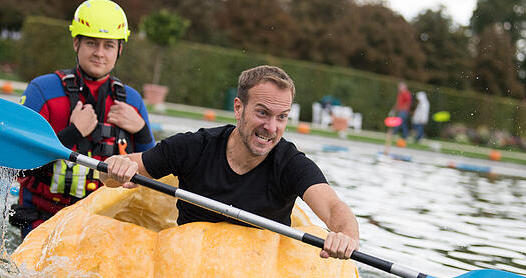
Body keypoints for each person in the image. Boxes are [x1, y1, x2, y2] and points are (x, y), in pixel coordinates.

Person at [102, 65, 359, 260]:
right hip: (189, 269)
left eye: (282, 117)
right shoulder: (193, 147)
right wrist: (117, 168)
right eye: (262, 113)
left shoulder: (291, 164)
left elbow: (334, 208)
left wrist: (346, 237)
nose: (271, 127)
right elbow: (112, 176)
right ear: (238, 108)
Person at [10, 0, 155, 238]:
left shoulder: (133, 101)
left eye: (108, 45)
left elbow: (152, 172)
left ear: (120, 49)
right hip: (42, 222)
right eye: (91, 43)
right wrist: (73, 133)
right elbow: (16, 165)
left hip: (101, 226)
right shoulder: (43, 90)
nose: (99, 53)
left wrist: (142, 131)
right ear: (76, 43)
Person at [384, 82, 412, 153]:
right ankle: (405, 135)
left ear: (404, 87)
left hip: (404, 111)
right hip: (401, 110)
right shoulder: (400, 94)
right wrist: (393, 109)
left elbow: (407, 103)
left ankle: (394, 132)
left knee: (399, 122)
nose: (399, 88)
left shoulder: (406, 94)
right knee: (403, 124)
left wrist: (403, 108)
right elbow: (398, 103)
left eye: (400, 87)